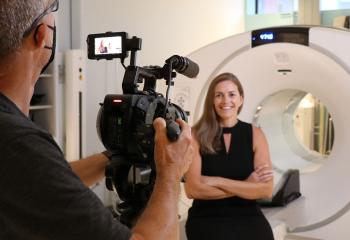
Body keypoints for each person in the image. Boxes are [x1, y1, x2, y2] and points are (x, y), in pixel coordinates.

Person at [0, 0, 193, 239]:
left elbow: (45, 183)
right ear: (42, 35)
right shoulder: (19, 143)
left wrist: (115, 156)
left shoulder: (18, 148)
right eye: (53, 8)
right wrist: (170, 172)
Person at [184, 72, 274, 240]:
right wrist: (247, 186)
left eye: (231, 94)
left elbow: (266, 189)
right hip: (207, 218)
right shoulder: (196, 135)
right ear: (212, 100)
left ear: (241, 99)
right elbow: (192, 190)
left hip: (249, 216)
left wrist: (218, 181)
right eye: (219, 95)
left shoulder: (255, 134)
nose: (226, 101)